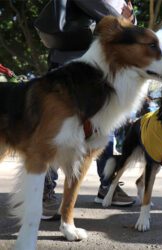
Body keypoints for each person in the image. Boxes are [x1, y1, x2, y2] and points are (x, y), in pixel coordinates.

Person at [40, 0, 137, 220]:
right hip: (70, 60)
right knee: (59, 127)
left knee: (104, 124)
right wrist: (123, 19)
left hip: (102, 64)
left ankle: (107, 184)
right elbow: (115, 18)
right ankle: (45, 189)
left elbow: (127, 23)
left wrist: (127, 20)